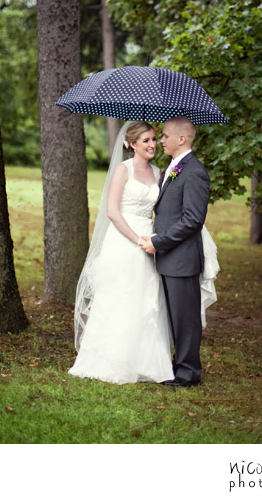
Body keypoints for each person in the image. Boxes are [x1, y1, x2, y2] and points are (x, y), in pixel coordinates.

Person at [69, 121, 175, 384]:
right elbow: (112, 212)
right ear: (132, 144)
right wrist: (137, 239)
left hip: (149, 241)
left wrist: (154, 239)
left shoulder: (159, 172)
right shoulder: (122, 170)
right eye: (146, 141)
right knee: (120, 297)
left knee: (146, 297)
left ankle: (146, 363)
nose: (152, 145)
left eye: (153, 139)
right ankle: (112, 361)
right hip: (123, 240)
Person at [140, 116, 218, 387]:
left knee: (186, 319)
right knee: (175, 316)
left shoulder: (194, 172)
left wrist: (159, 241)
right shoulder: (174, 168)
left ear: (181, 139)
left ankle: (188, 373)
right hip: (170, 257)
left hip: (182, 258)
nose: (160, 140)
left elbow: (193, 220)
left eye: (164, 136)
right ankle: (177, 366)